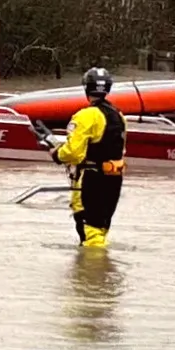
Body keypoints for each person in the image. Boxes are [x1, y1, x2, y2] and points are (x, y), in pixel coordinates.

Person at [51, 67, 126, 248]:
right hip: (113, 179)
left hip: (91, 180)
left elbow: (73, 152)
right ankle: (104, 272)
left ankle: (92, 273)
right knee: (100, 229)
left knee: (90, 231)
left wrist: (57, 154)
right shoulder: (119, 115)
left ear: (86, 88)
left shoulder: (86, 115)